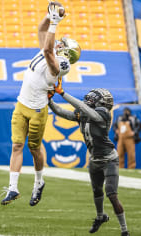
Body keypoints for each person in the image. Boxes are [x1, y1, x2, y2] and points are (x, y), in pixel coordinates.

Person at [1, 1, 81, 206]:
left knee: (34, 148)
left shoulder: (61, 64)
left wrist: (55, 22)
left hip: (37, 110)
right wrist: (50, 15)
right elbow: (41, 29)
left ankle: (39, 182)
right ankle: (13, 188)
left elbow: (46, 51)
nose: (59, 44)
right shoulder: (52, 51)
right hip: (21, 104)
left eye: (63, 45)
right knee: (17, 145)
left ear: (68, 54)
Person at [48, 82, 130, 236]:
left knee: (111, 194)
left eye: (95, 97)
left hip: (109, 159)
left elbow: (85, 109)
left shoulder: (103, 113)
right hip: (94, 159)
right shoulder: (85, 114)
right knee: (96, 191)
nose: (91, 98)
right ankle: (100, 217)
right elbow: (61, 112)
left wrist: (63, 93)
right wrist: (49, 101)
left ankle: (124, 230)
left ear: (102, 102)